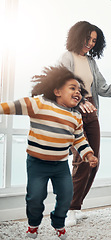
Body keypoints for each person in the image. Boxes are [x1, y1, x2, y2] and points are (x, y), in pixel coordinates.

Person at [0, 66, 98, 239]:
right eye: (73, 88)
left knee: (67, 196)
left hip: (60, 165)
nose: (78, 92)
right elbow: (14, 106)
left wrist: (89, 155)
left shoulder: (76, 117)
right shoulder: (40, 104)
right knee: (36, 197)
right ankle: (33, 224)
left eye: (80, 90)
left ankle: (58, 223)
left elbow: (79, 139)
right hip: (37, 163)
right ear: (57, 91)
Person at [59, 21, 111, 226]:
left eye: (94, 41)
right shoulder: (66, 58)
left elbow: (103, 87)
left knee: (93, 161)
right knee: (82, 159)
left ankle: (76, 205)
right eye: (88, 38)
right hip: (74, 112)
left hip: (92, 111)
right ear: (78, 36)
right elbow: (62, 87)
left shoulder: (90, 62)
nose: (90, 44)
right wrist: (79, 102)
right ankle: (68, 208)